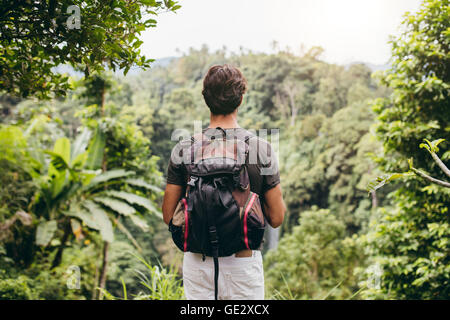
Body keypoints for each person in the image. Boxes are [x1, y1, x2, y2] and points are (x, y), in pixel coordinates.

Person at [162, 64, 286, 300]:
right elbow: (277, 218)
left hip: (198, 263)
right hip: (243, 264)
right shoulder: (261, 149)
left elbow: (169, 215)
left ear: (205, 98)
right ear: (240, 99)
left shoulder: (184, 148)